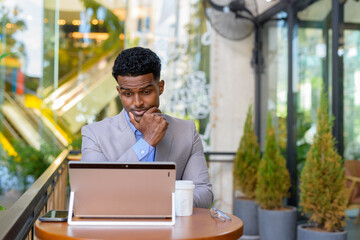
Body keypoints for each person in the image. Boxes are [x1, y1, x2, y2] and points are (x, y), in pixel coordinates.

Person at [81, 47, 213, 208]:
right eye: (127, 94)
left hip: (170, 230)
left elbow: (204, 193)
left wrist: (158, 204)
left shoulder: (187, 131)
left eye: (146, 91)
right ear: (119, 91)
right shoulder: (94, 134)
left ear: (161, 88)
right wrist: (147, 142)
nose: (137, 102)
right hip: (116, 230)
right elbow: (93, 194)